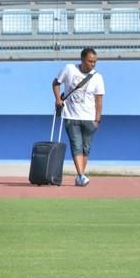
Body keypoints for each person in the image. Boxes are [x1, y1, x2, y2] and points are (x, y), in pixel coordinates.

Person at [52, 47, 105, 187]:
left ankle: (80, 176)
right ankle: (81, 175)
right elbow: (56, 83)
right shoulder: (69, 69)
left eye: (95, 62)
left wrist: (97, 120)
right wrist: (58, 99)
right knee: (76, 145)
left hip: (90, 118)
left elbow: (99, 100)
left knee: (85, 148)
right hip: (71, 116)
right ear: (82, 59)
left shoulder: (98, 77)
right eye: (90, 61)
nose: (93, 64)